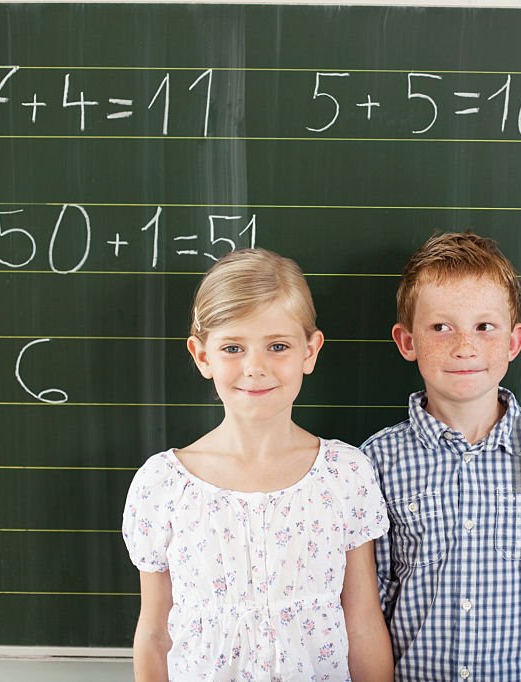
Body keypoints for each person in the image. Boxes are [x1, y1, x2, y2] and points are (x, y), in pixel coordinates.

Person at [123, 248, 393, 681]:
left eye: (278, 346)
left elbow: (362, 623)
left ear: (310, 351)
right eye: (233, 347)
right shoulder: (163, 485)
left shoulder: (345, 475)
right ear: (202, 355)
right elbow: (155, 634)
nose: (255, 367)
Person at [362, 232, 521, 681]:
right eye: (441, 327)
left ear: (514, 342)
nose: (465, 346)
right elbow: (367, 602)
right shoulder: (377, 461)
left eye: (484, 326)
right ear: (407, 341)